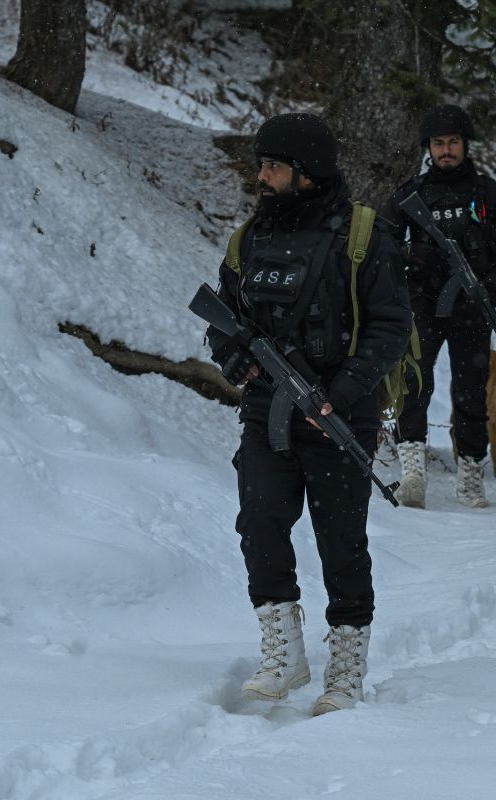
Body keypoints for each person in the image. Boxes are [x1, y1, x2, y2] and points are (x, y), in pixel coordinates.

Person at [204, 113, 411, 715]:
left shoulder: (363, 236)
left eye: (274, 166)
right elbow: (224, 316)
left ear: (308, 172)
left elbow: (391, 328)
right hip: (266, 411)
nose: (262, 177)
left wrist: (341, 394)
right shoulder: (250, 239)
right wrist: (233, 356)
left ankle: (346, 664)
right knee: (259, 522)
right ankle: (284, 650)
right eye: (261, 165)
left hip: (339, 413)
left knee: (341, 541)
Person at [380, 104, 496, 509]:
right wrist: (412, 253)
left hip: (471, 310)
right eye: (439, 143)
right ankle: (413, 474)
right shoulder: (412, 194)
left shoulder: (488, 194)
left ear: (465, 144)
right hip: (422, 305)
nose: (446, 150)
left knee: (471, 393)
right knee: (413, 385)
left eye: (453, 142)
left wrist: (486, 289)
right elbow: (381, 244)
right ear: (429, 148)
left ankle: (471, 478)